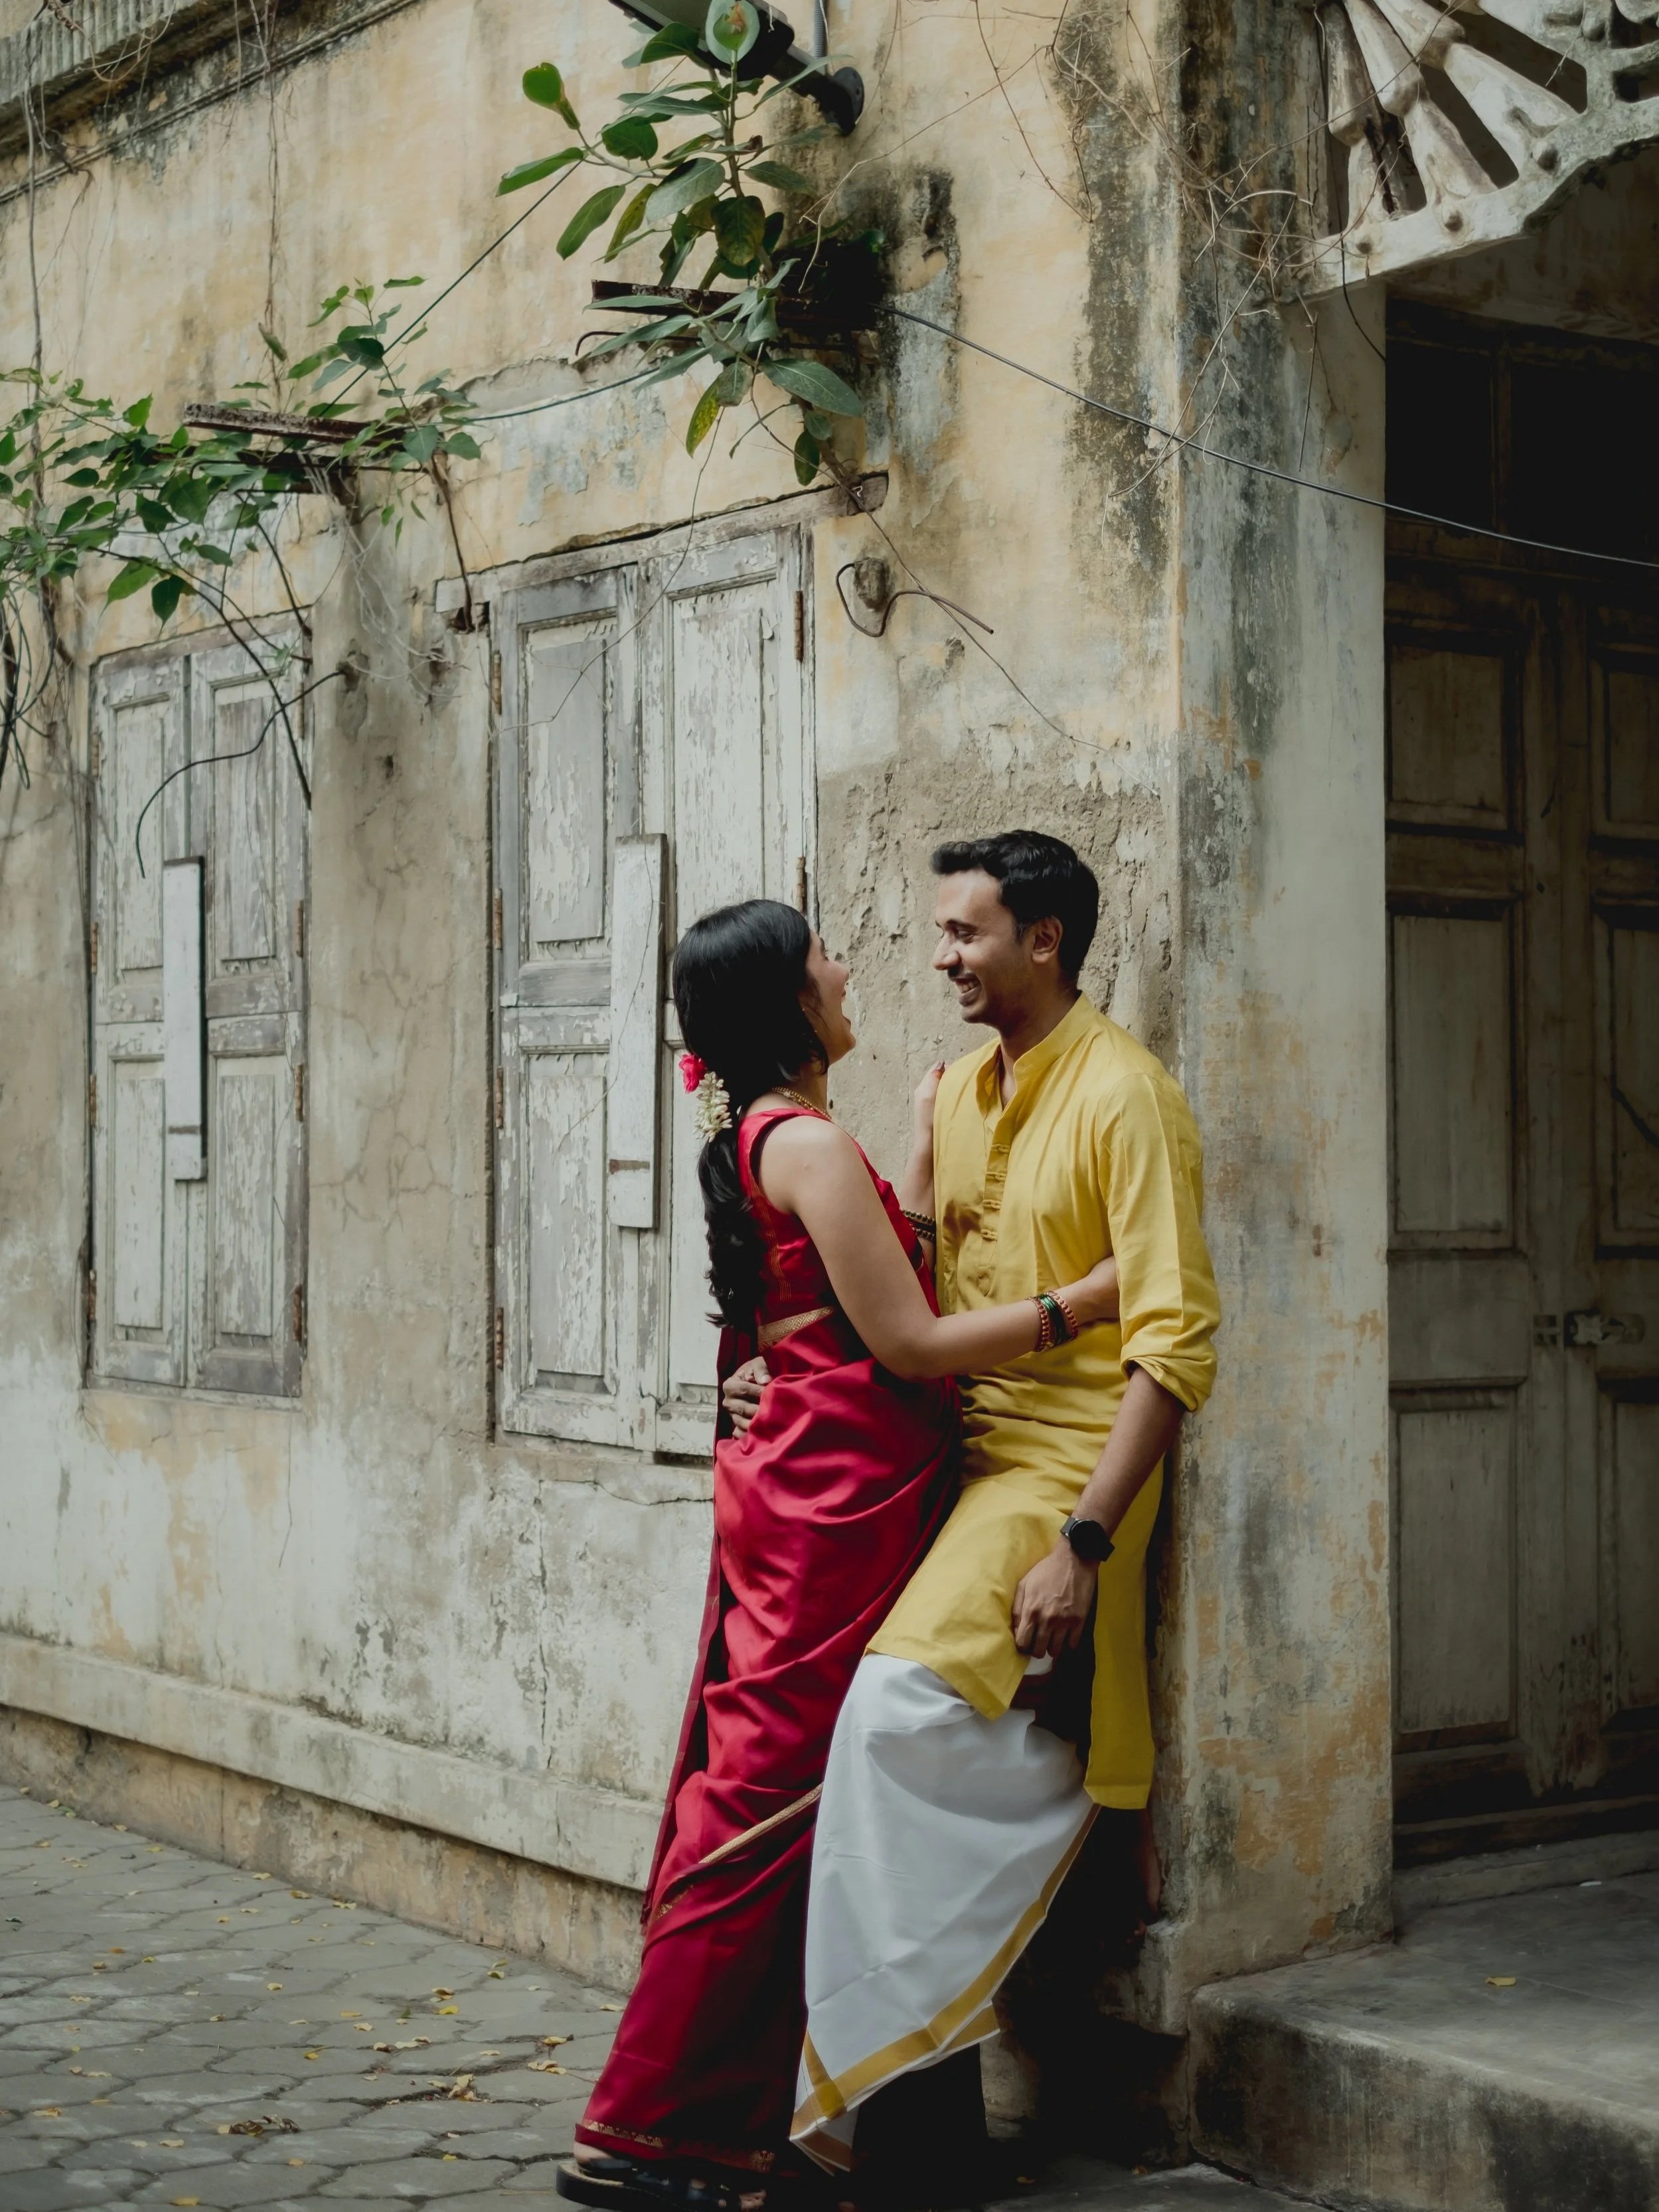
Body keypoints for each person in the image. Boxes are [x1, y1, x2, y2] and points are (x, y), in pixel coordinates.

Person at [558, 897, 1121, 2212]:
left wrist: (915, 1153)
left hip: (817, 1483)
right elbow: (908, 1340)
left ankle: (774, 2116)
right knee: (763, 1804)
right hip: (832, 1501)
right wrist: (1080, 1303)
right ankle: (648, 2129)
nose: (846, 965)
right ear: (788, 999)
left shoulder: (782, 1134)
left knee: (791, 1794)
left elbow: (845, 1295)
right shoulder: (804, 1140)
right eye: (823, 956)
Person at [775, 832, 1222, 2179]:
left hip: (1058, 1469)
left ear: (1044, 940)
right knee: (804, 1703)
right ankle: (917, 2119)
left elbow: (1173, 1345)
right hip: (949, 1458)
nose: (939, 956)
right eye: (939, 930)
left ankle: (853, 2110)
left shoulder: (1129, 1096)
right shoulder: (961, 1092)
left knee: (891, 1715)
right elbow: (908, 1297)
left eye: (964, 931)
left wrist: (1084, 1540)